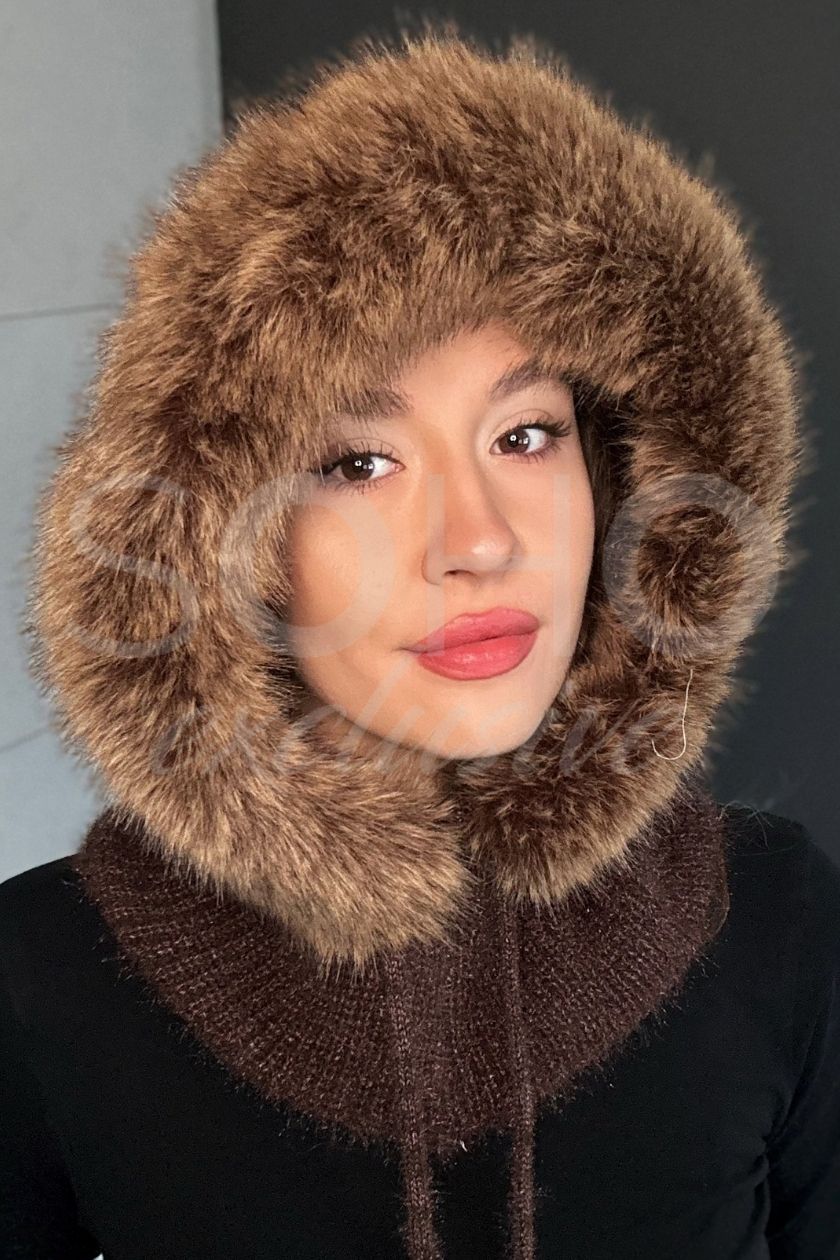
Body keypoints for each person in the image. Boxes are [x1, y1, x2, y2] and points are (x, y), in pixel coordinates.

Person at [2, 23, 839, 1260]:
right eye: (357, 462)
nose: (480, 540)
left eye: (525, 436)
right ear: (221, 538)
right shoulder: (43, 979)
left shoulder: (773, 919)